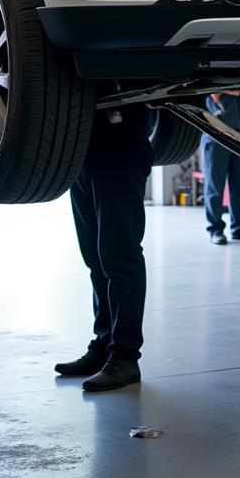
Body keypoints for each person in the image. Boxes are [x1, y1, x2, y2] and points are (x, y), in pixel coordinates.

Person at [55, 105, 153, 392]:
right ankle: (104, 344)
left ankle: (124, 357)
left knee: (120, 257)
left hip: (119, 148)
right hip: (80, 154)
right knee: (96, 260)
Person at [202, 91, 240, 246]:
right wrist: (239, 89)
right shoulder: (217, 67)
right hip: (216, 130)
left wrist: (236, 89)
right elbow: (214, 89)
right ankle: (215, 230)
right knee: (215, 185)